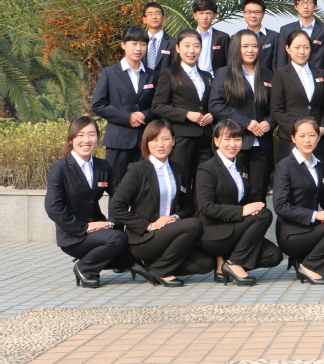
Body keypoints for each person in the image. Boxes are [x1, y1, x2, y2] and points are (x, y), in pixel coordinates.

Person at [109, 120, 214, 287]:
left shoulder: (178, 169)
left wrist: (174, 217)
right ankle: (161, 270)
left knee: (205, 264)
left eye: (165, 139)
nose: (160, 144)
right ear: (146, 143)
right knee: (193, 225)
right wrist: (147, 225)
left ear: (173, 141)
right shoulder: (137, 170)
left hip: (169, 233)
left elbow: (189, 206)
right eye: (154, 140)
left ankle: (153, 266)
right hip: (144, 238)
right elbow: (116, 207)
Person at [45, 117, 134, 288]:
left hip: (100, 231)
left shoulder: (103, 165)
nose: (86, 140)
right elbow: (53, 207)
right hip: (73, 235)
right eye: (80, 135)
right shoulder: (60, 168)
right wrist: (84, 227)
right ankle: (84, 268)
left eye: (92, 134)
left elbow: (120, 197)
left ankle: (93, 260)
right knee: (118, 239)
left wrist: (111, 223)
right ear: (71, 139)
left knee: (132, 254)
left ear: (98, 138)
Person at [196, 120, 283, 286]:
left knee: (273, 256)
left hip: (236, 229)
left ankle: (227, 263)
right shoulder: (207, 169)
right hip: (215, 233)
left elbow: (245, 200)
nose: (232, 144)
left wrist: (251, 209)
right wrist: (242, 211)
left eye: (237, 139)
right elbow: (206, 207)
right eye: (227, 139)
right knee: (264, 215)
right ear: (216, 141)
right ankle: (234, 263)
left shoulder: (241, 168)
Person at [273, 118, 324, 285]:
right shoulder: (285, 166)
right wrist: (317, 215)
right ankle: (309, 267)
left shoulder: (320, 165)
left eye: (312, 135)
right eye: (302, 135)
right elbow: (280, 206)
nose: (307, 140)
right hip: (292, 234)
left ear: (318, 137)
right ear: (293, 138)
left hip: (314, 230)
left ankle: (301, 260)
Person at [209, 30, 276, 203]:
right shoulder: (224, 73)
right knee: (233, 194)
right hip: (235, 143)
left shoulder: (268, 74)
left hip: (262, 145)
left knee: (258, 195)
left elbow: (276, 107)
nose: (250, 50)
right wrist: (246, 123)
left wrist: (269, 122)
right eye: (245, 46)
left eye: (254, 46)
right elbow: (215, 105)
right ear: (235, 49)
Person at [92, 25, 159, 182]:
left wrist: (145, 115)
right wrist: (127, 117)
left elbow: (159, 105)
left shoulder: (153, 75)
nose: (138, 48)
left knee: (144, 188)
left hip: (145, 141)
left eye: (143, 44)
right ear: (123, 44)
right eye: (133, 43)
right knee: (116, 187)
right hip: (118, 141)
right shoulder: (109, 73)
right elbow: (98, 105)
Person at [151, 29, 214, 189]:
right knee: (181, 182)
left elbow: (210, 104)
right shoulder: (169, 74)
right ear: (178, 48)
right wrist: (186, 114)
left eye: (196, 46)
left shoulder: (207, 76)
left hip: (205, 137)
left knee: (203, 183)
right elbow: (157, 106)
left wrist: (212, 115)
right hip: (181, 137)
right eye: (187, 46)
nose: (191, 51)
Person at [271, 30, 324, 161]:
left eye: (306, 47)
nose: (302, 52)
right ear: (287, 49)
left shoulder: (320, 73)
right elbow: (276, 109)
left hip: (316, 139)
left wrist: (322, 128)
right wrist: (297, 132)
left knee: (318, 173)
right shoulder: (281, 74)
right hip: (290, 139)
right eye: (297, 47)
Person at [276, 0, 324, 90]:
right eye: (301, 3)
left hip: (319, 82)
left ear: (315, 5)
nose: (305, 6)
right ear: (296, 6)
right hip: (292, 83)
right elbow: (281, 61)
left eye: (309, 2)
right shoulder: (285, 30)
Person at [192, 0, 229, 76]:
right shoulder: (188, 37)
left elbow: (228, 63)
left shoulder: (223, 37)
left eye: (208, 13)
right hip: (193, 79)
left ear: (214, 16)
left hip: (216, 80)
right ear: (195, 15)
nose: (205, 17)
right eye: (201, 13)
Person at [242, 0, 280, 71]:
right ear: (243, 13)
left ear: (263, 14)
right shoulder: (236, 38)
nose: (253, 15)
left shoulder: (274, 37)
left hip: (268, 77)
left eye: (257, 12)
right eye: (249, 12)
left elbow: (277, 64)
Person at [141, 2, 175, 72]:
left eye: (157, 13)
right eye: (150, 14)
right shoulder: (138, 41)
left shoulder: (173, 43)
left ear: (163, 18)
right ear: (144, 19)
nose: (154, 17)